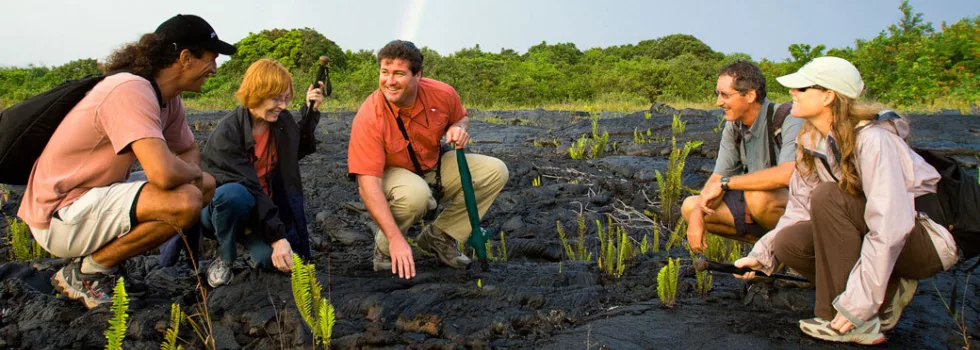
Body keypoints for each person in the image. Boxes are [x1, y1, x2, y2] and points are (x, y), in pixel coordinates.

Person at [733, 57, 959, 344]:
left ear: (828, 96)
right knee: (788, 242)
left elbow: (890, 226)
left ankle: (852, 321)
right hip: (881, 235)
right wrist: (763, 255)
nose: (792, 93)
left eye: (801, 88)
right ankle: (883, 293)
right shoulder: (811, 142)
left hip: (925, 242)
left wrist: (857, 306)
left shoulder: (875, 140)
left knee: (830, 196)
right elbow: (798, 211)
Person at [17, 14, 236, 309]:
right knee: (184, 201)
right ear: (185, 57)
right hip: (58, 214)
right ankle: (88, 271)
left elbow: (187, 152)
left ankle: (102, 266)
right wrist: (185, 175)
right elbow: (162, 173)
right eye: (210, 58)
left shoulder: (168, 99)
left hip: (91, 200)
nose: (214, 68)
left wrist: (190, 175)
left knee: (205, 186)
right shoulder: (130, 89)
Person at [348, 40, 509, 279]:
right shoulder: (370, 115)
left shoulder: (442, 93)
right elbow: (367, 184)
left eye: (399, 74)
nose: (389, 81)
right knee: (416, 195)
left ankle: (440, 236)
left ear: (418, 75)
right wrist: (395, 240)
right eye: (384, 72)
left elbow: (461, 118)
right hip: (393, 173)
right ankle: (384, 250)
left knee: (496, 170)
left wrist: (458, 127)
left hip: (433, 165)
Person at [198, 59, 323, 287]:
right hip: (221, 211)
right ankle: (225, 257)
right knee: (232, 195)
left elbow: (297, 149)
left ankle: (254, 242)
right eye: (276, 99)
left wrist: (310, 112)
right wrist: (277, 237)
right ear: (256, 94)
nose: (283, 106)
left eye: (286, 99)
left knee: (277, 263)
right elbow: (249, 186)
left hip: (261, 211)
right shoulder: (228, 133)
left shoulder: (280, 122)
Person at [682, 61, 803, 253]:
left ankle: (792, 253)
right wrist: (696, 215)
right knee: (690, 206)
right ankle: (767, 252)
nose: (718, 102)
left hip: (804, 210)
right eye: (718, 94)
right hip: (761, 208)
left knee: (758, 198)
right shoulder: (734, 126)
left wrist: (727, 183)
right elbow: (717, 178)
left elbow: (787, 173)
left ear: (750, 95)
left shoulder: (789, 118)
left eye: (725, 95)